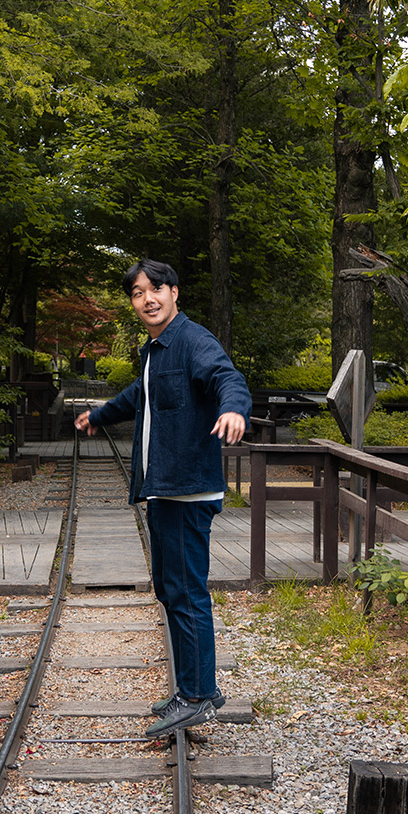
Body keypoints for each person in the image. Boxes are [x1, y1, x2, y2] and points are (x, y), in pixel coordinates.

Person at [75, 259, 251, 738]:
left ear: (175, 293)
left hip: (187, 489)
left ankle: (197, 697)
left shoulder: (194, 340)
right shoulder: (155, 349)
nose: (147, 298)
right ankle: (195, 688)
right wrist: (100, 414)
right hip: (165, 489)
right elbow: (140, 395)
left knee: (187, 592)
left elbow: (226, 378)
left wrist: (234, 409)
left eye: (156, 289)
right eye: (137, 292)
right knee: (171, 590)